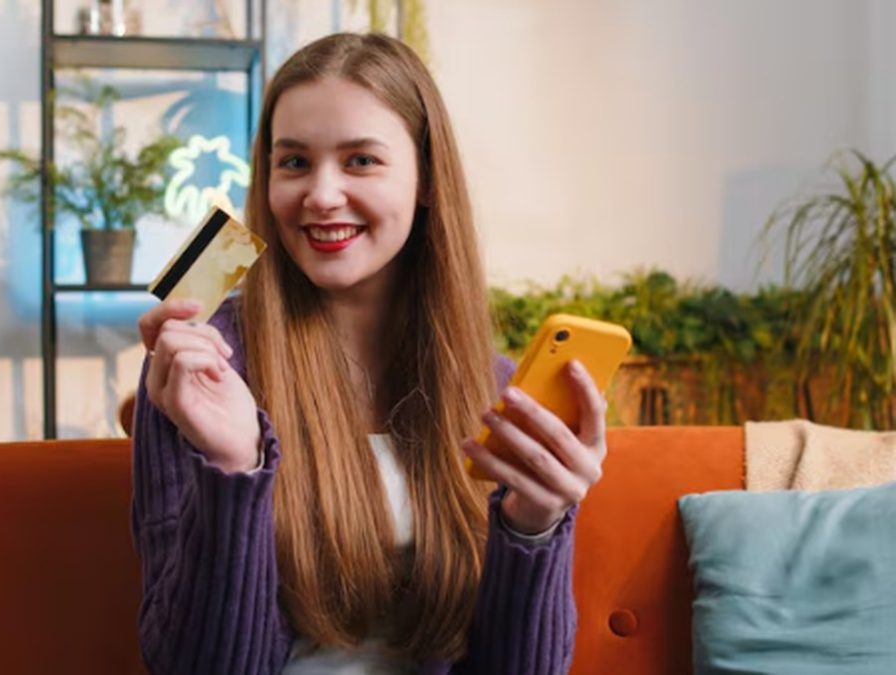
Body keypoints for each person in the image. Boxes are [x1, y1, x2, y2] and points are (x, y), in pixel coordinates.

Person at [131, 32, 608, 675]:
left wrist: (535, 524)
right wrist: (234, 467)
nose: (322, 195)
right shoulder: (204, 371)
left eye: (360, 161)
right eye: (294, 163)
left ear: (427, 181)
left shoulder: (497, 390)